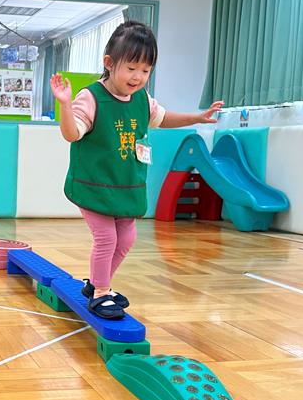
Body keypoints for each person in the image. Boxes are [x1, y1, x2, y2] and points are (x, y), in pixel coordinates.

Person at [51, 20, 222, 320]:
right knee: (107, 239)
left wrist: (197, 118)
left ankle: (97, 285)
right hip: (94, 185)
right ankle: (101, 292)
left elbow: (163, 118)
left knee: (126, 239)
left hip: (126, 184)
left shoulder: (142, 99)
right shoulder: (91, 97)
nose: (138, 77)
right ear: (109, 63)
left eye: (145, 70)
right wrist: (65, 105)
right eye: (131, 68)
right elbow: (72, 134)